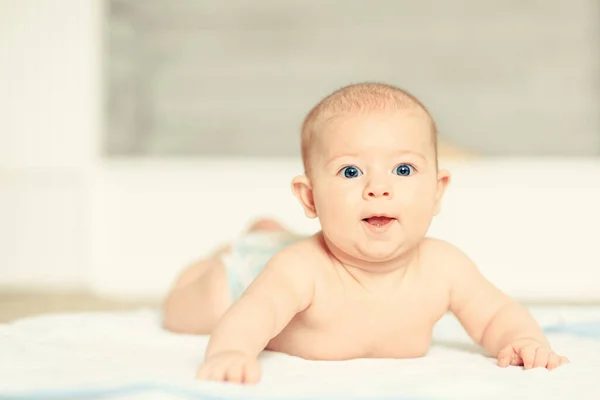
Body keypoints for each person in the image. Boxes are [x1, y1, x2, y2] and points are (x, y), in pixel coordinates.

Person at [162, 83, 569, 384]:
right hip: (245, 277)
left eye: (404, 170)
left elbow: (496, 314)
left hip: (281, 254)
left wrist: (522, 339)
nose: (378, 188)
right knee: (185, 313)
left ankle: (271, 230)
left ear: (437, 191)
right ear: (311, 198)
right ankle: (242, 246)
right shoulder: (300, 269)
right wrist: (232, 352)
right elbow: (255, 314)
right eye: (351, 171)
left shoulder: (445, 268)